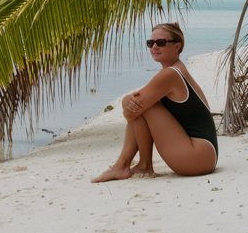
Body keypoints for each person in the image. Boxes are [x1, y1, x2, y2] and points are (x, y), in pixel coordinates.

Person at [91, 22, 218, 181]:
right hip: (205, 156)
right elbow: (135, 105)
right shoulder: (177, 69)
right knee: (143, 105)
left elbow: (132, 110)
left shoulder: (171, 74)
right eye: (150, 43)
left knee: (142, 107)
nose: (154, 47)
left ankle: (128, 165)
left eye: (161, 43)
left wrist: (126, 102)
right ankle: (136, 165)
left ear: (177, 46)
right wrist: (127, 101)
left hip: (196, 156)